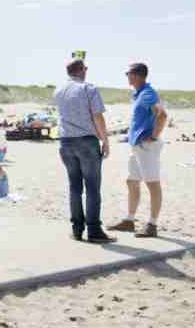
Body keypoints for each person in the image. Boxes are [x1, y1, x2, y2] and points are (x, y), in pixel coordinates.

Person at [54, 59, 115, 243]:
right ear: (81, 70)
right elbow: (98, 117)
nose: (87, 70)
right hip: (87, 141)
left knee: (74, 187)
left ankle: (77, 229)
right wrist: (105, 141)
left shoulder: (58, 90)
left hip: (65, 142)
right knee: (92, 188)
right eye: (86, 68)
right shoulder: (89, 88)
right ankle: (94, 230)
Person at [108, 63, 169, 238]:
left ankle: (152, 225)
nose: (127, 76)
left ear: (138, 75)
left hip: (146, 146)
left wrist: (154, 136)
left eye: (128, 73)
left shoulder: (148, 94)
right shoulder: (140, 94)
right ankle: (129, 220)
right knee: (132, 181)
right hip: (137, 146)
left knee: (152, 183)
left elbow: (162, 115)